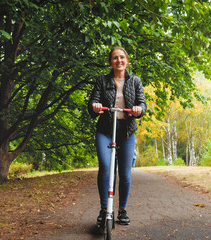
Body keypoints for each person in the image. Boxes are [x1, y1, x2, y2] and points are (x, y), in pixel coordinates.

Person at [88, 47, 147, 225]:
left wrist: (138, 110)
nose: (119, 61)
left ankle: (122, 210)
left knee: (125, 173)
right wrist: (95, 106)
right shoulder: (102, 80)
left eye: (122, 57)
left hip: (126, 130)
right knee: (106, 166)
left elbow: (142, 104)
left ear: (127, 61)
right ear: (110, 62)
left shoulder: (135, 81)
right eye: (115, 58)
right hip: (106, 129)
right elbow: (92, 102)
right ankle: (105, 209)